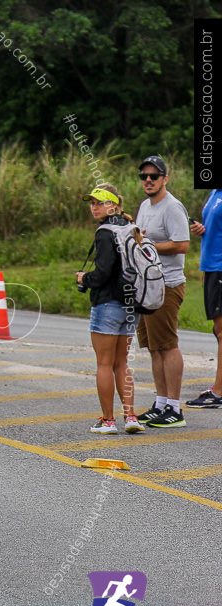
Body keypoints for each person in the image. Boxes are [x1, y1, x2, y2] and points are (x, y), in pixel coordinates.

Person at [75, 184, 144, 435]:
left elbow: (103, 273)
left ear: (113, 204)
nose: (94, 207)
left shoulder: (105, 232)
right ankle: (131, 416)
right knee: (122, 363)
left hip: (107, 304)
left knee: (104, 363)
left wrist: (85, 279)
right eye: (92, 203)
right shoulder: (130, 227)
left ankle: (108, 421)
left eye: (100, 202)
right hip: (131, 305)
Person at [133, 156, 190, 427]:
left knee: (168, 345)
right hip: (146, 286)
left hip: (167, 284)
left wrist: (149, 244)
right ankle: (161, 402)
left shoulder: (172, 207)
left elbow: (182, 245)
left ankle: (175, 409)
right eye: (144, 176)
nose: (148, 180)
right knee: (153, 347)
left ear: (165, 178)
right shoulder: (145, 205)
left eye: (154, 176)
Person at [188, 189, 222, 408]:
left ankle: (218, 392)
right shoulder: (214, 192)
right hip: (211, 266)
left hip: (220, 266)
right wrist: (202, 230)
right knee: (217, 332)